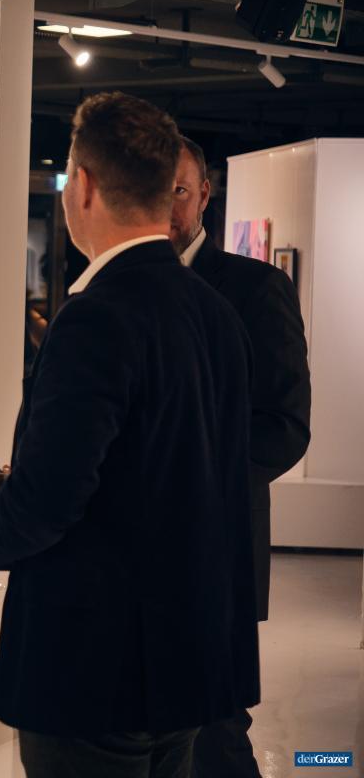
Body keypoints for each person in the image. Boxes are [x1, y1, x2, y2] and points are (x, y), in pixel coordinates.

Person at [0, 92, 260, 778]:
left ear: (86, 186)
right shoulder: (215, 312)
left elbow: (51, 496)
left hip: (93, 669)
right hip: (185, 661)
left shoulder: (95, 316)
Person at [170, 135, 312, 778]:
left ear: (204, 193)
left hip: (218, 551)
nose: (165, 205)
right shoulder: (108, 288)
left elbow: (284, 427)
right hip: (125, 560)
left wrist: (183, 482)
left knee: (216, 738)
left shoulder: (256, 287)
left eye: (179, 189)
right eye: (152, 188)